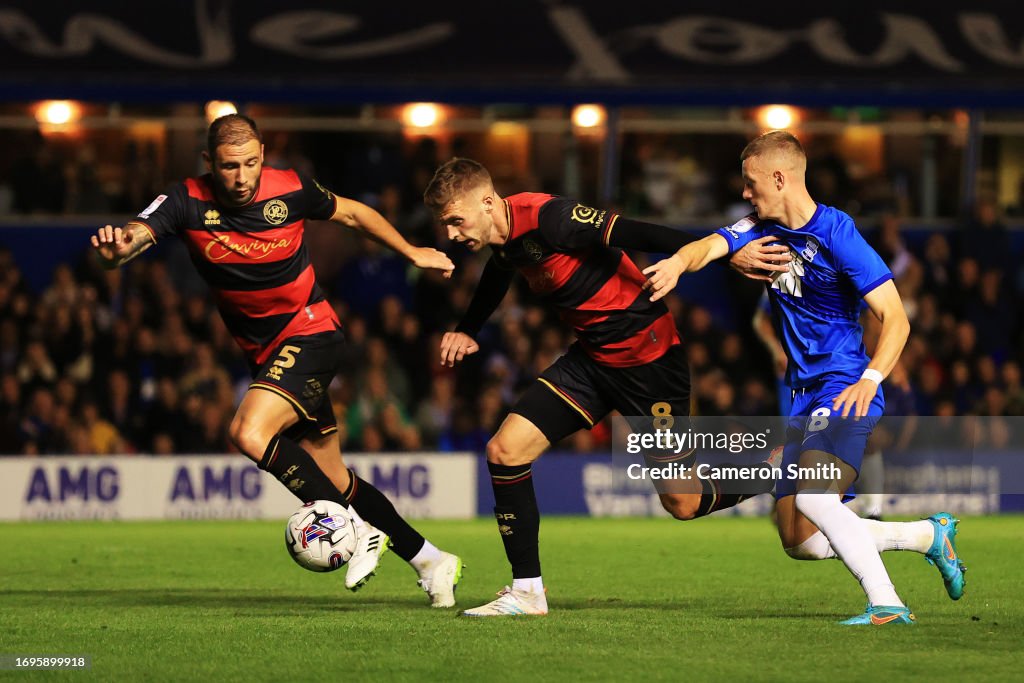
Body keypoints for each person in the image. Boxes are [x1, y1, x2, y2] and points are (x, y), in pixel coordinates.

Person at [90, 114, 463, 607]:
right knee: (334, 477)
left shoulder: (289, 189)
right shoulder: (185, 199)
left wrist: (411, 251)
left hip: (311, 330)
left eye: (249, 163)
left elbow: (352, 213)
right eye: (228, 167)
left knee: (247, 432)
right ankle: (431, 560)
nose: (241, 177)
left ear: (263, 155)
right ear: (209, 163)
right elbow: (136, 234)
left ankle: (350, 525)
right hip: (267, 354)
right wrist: (117, 252)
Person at [423, 157, 791, 617]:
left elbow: (638, 232)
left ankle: (779, 467)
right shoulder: (504, 240)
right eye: (446, 226)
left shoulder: (550, 218)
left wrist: (720, 254)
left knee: (684, 502)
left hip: (649, 361)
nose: (452, 234)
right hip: (592, 361)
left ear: (487, 200)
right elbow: (502, 267)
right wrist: (469, 327)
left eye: (456, 221)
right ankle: (527, 592)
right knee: (505, 450)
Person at [644, 131, 967, 625]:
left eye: (751, 184)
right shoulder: (759, 229)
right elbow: (706, 246)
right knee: (803, 542)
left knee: (816, 497)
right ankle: (927, 536)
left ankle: (887, 604)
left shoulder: (837, 232)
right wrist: (675, 264)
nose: (746, 194)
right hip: (802, 396)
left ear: (780, 177)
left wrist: (871, 378)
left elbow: (895, 317)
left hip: (842, 385)